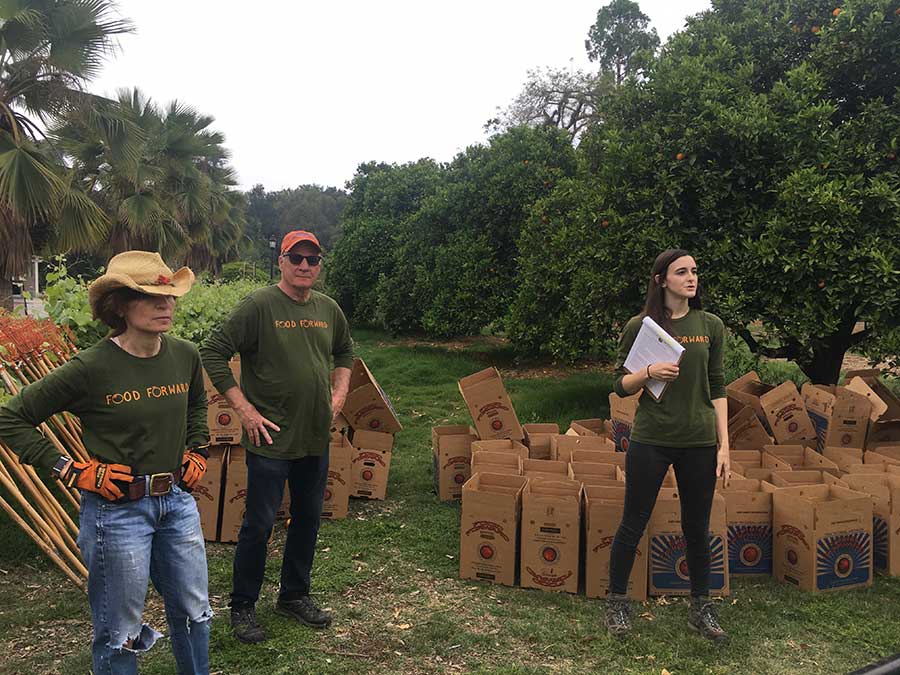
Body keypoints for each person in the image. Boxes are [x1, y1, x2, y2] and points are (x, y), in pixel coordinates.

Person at [0, 251, 212, 674]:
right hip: (116, 512)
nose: (164, 304)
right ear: (119, 305)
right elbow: (10, 417)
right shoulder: (91, 367)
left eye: (168, 296)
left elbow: (196, 404)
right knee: (121, 629)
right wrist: (71, 468)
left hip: (177, 503)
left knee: (195, 612)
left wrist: (198, 449)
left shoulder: (185, 355)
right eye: (149, 296)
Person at [200, 230, 353, 644]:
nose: (305, 266)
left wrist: (339, 392)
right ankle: (243, 605)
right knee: (259, 524)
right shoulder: (259, 305)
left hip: (314, 435)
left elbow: (345, 352)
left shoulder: (328, 308)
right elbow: (213, 350)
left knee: (307, 519)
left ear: (320, 264)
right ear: (281, 262)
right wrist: (244, 410)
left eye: (313, 258)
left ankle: (294, 595)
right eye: (296, 258)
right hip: (269, 437)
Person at [605, 248, 731, 643]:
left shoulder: (710, 325)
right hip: (652, 438)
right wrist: (647, 372)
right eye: (682, 272)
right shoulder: (641, 326)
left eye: (695, 271)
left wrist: (724, 445)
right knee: (633, 522)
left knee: (697, 527)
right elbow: (619, 384)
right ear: (661, 280)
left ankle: (701, 607)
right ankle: (617, 603)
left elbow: (718, 387)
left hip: (699, 442)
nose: (692, 278)